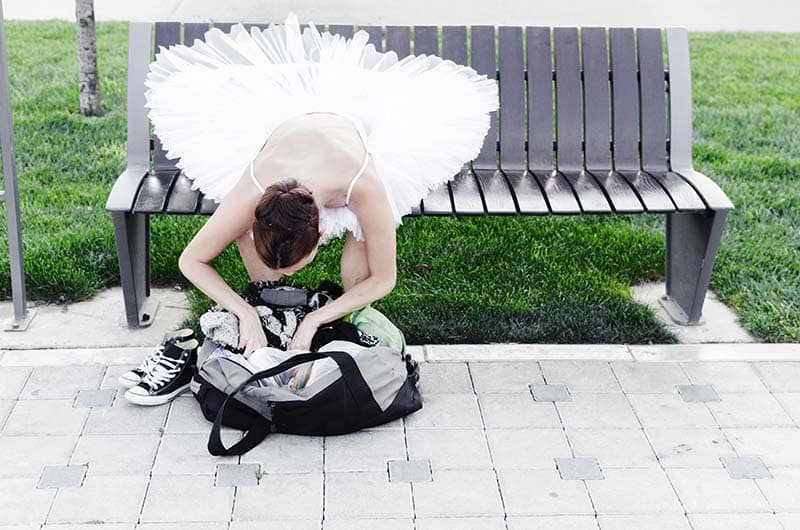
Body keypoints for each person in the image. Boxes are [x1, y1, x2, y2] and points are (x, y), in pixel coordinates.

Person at [123, 12, 499, 403]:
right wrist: (242, 312)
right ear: (258, 217)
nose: (287, 273)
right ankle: (264, 305)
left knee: (361, 267)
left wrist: (318, 318)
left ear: (321, 232)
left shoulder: (363, 185)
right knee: (252, 274)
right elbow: (191, 260)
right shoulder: (255, 186)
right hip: (288, 133)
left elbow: (385, 278)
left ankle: (339, 318)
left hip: (350, 137)